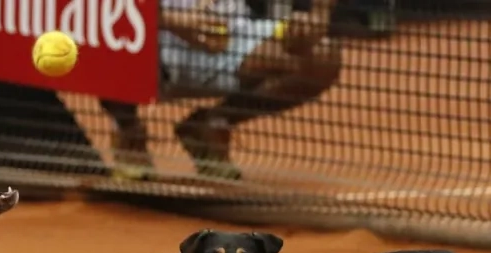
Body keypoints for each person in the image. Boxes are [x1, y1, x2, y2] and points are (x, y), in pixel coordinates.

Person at [101, 0, 342, 181]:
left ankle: (209, 125)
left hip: (235, 35)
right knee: (102, 42)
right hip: (150, 39)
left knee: (321, 55)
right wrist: (174, 21)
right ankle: (127, 129)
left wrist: (319, 15)